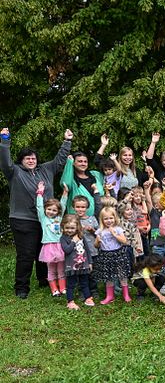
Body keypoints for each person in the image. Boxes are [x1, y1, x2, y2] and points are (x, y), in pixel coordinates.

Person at [0, 127, 72, 298]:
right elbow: (4, 162)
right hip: (22, 219)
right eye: (27, 158)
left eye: (33, 158)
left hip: (46, 219)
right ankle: (22, 288)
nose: (31, 160)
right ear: (21, 160)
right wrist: (4, 141)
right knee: (26, 254)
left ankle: (44, 279)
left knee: (44, 249)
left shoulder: (46, 169)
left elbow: (60, 160)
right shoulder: (14, 172)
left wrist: (67, 141)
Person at [35, 182, 69, 297]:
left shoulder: (59, 218)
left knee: (61, 268)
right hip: (48, 247)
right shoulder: (43, 219)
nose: (51, 212)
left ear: (58, 212)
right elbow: (39, 206)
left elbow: (63, 205)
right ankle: (54, 289)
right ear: (45, 209)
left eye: (54, 210)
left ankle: (63, 287)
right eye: (49, 209)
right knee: (51, 269)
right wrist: (40, 192)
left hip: (59, 246)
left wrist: (65, 192)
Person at [94, 206, 131, 304]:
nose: (109, 220)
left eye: (111, 218)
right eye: (106, 219)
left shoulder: (118, 229)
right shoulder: (100, 231)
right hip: (106, 255)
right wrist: (97, 241)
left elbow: (124, 241)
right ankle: (110, 295)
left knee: (122, 274)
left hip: (118, 254)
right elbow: (96, 245)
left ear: (115, 218)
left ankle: (126, 294)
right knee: (108, 276)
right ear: (102, 220)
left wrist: (115, 235)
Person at [60, 214, 95, 310]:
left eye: (72, 228)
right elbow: (67, 250)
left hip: (83, 265)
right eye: (67, 228)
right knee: (70, 284)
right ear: (63, 227)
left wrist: (90, 262)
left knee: (84, 282)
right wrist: (73, 241)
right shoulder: (63, 238)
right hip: (71, 266)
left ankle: (88, 298)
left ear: (77, 227)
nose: (69, 230)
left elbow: (87, 250)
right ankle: (70, 301)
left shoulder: (81, 236)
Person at [71, 191, 102, 297]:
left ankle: (93, 290)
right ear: (74, 207)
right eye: (78, 207)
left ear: (87, 208)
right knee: (81, 271)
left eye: (83, 207)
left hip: (92, 250)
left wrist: (92, 230)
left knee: (93, 271)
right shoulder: (72, 220)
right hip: (79, 251)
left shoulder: (92, 219)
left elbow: (98, 234)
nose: (80, 209)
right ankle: (82, 290)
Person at [60, 151, 105, 218]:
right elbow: (65, 184)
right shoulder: (71, 179)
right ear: (74, 163)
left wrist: (103, 145)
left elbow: (105, 167)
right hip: (76, 221)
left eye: (85, 162)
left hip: (99, 219)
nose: (83, 164)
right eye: (80, 161)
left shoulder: (95, 174)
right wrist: (69, 163)